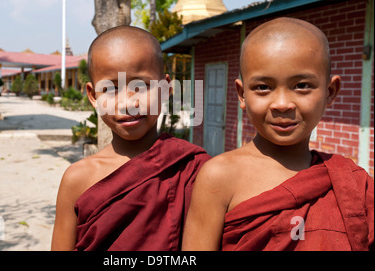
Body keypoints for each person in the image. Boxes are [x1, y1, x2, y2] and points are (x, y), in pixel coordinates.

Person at [182, 17, 374, 251]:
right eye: (263, 87)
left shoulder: (352, 183)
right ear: (242, 95)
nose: (282, 104)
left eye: (302, 85)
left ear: (330, 92)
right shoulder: (219, 176)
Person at [51, 26, 211, 251]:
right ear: (93, 95)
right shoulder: (77, 178)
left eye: (142, 86)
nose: (127, 102)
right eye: (111, 88)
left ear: (165, 89)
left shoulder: (194, 169)